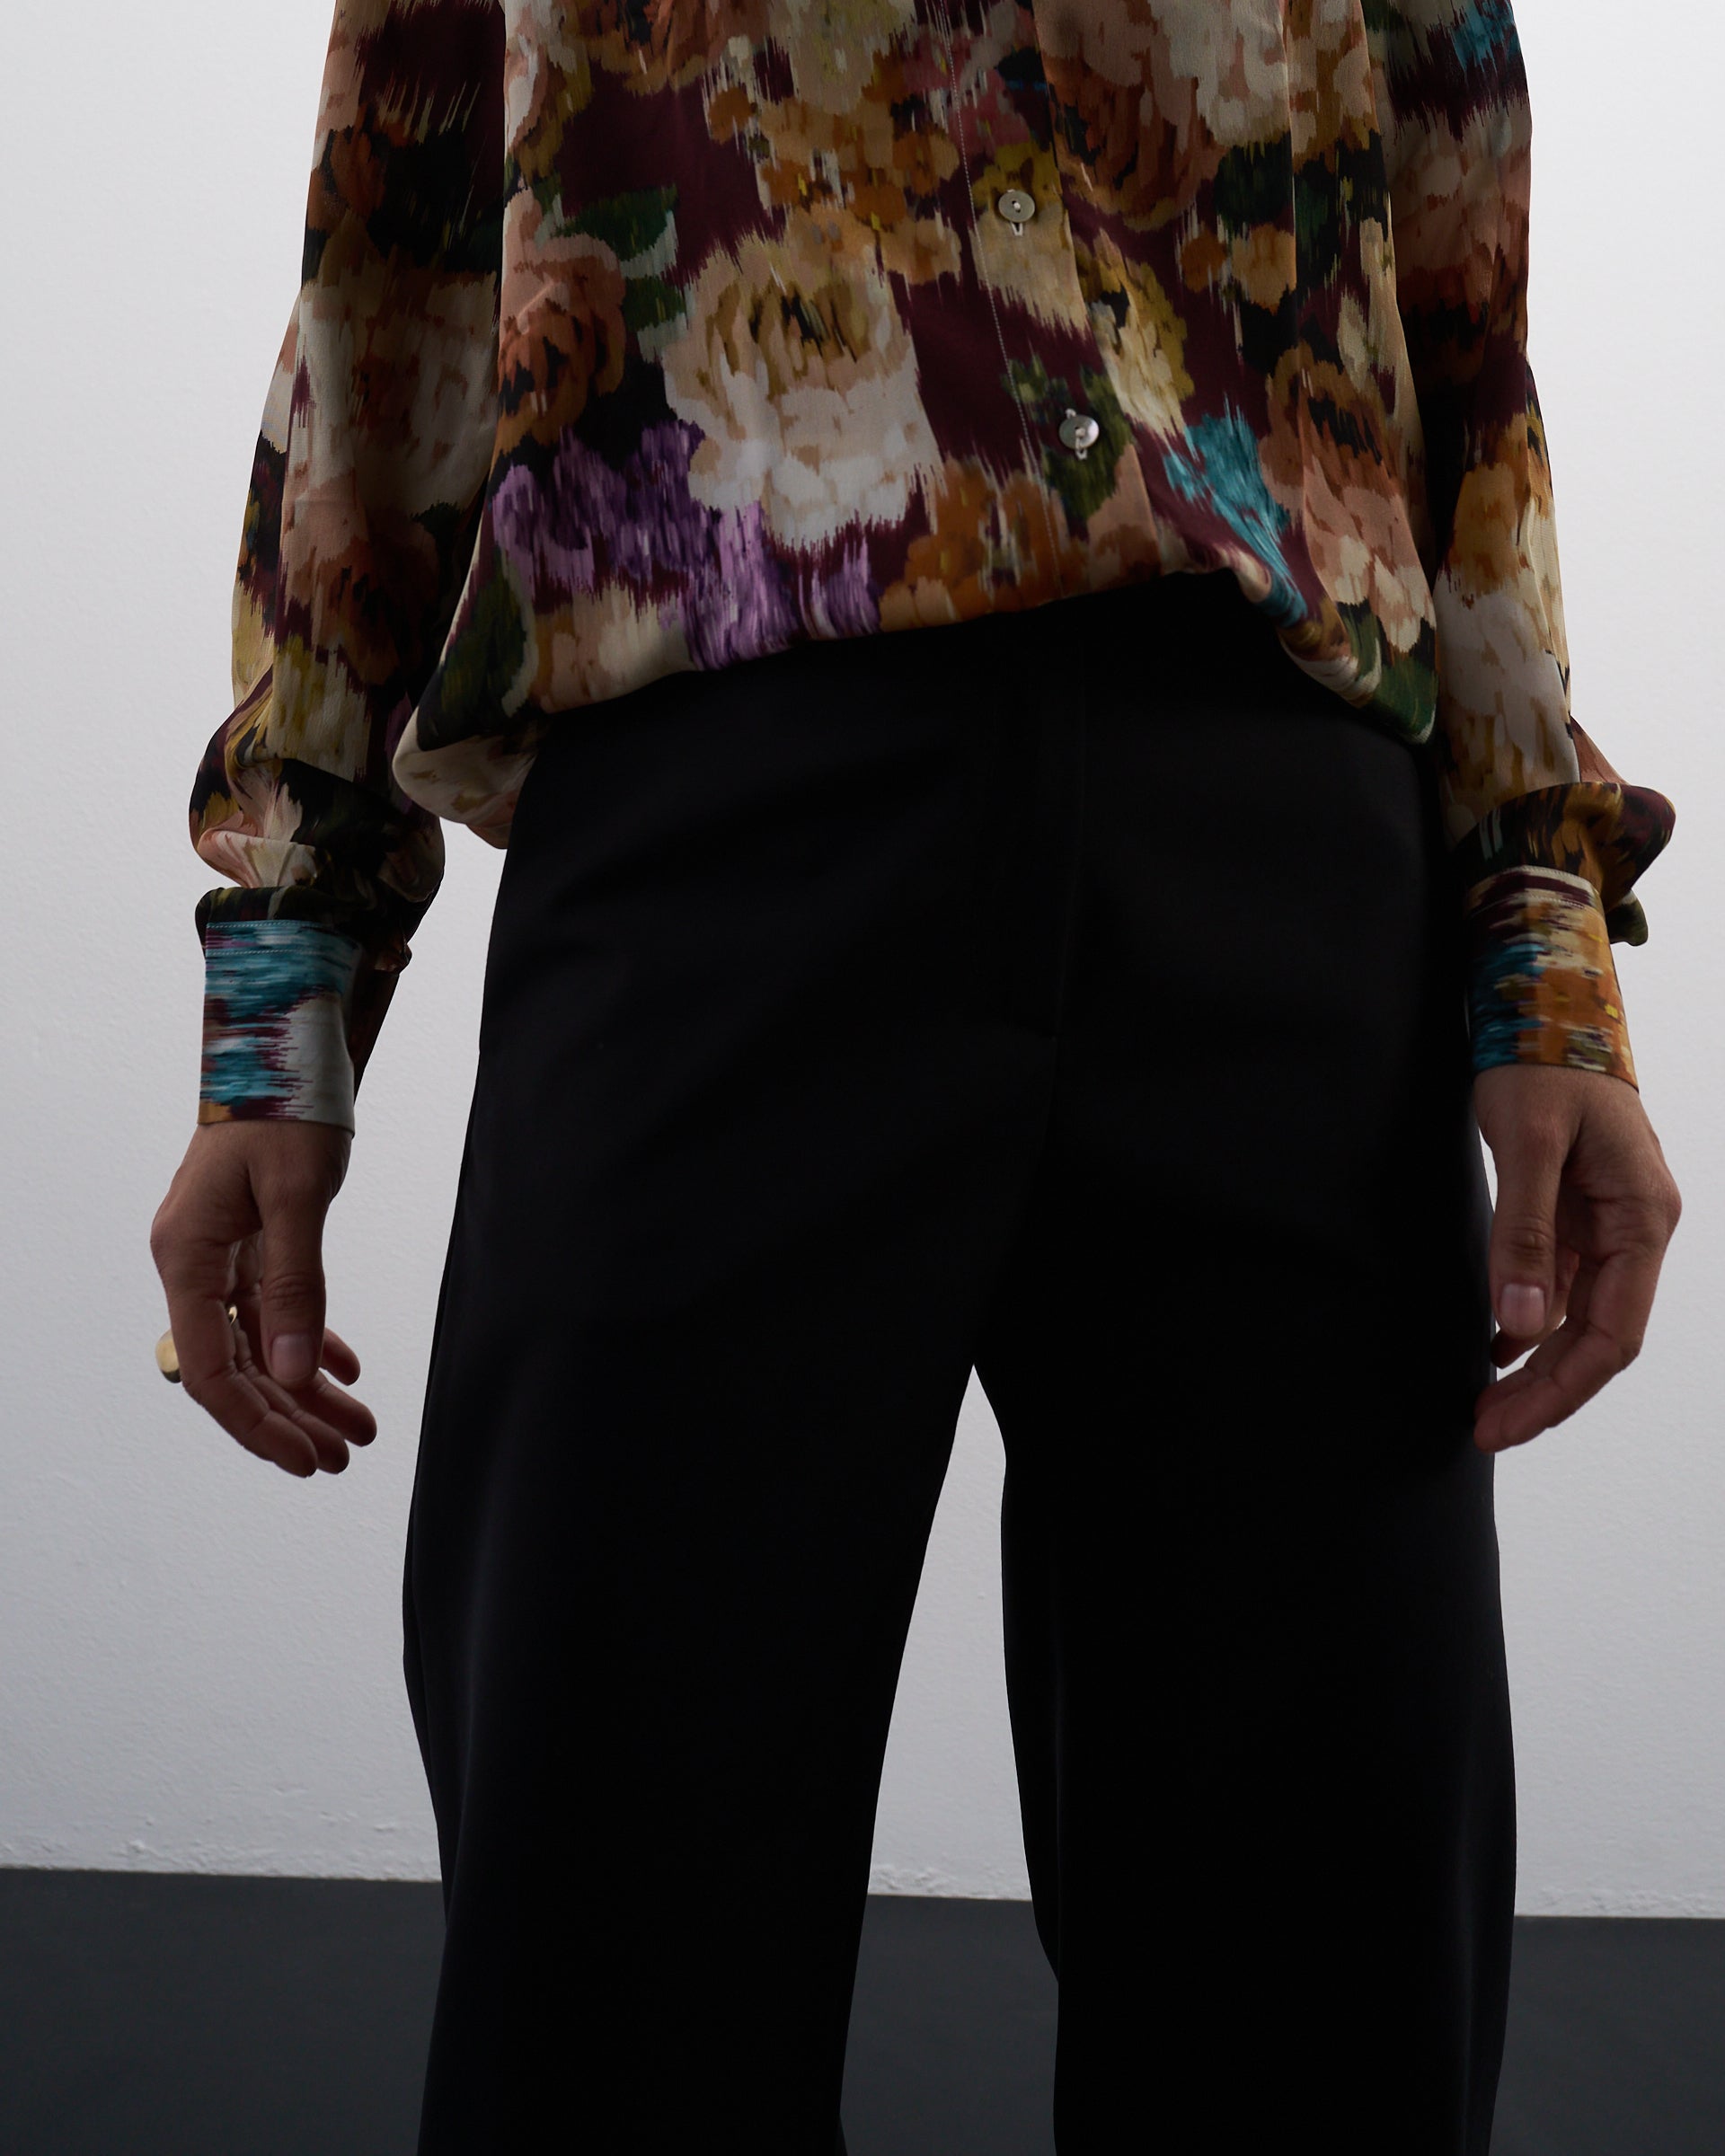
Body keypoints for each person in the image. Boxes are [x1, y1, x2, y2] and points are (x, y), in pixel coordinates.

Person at [149, 4, 1681, 2150]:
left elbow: (1454, 319)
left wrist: (1542, 949)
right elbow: (388, 273)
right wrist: (279, 998)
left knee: (1322, 1984)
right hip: (718, 833)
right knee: (611, 1948)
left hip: (1281, 857)